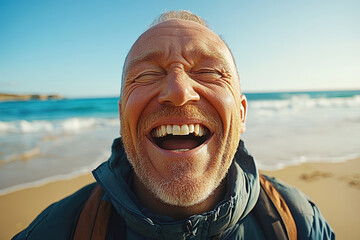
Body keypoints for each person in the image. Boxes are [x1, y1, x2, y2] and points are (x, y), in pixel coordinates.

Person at [13, 10, 335, 240]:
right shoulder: (57, 230)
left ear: (241, 114)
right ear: (122, 115)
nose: (179, 92)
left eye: (208, 72)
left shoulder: (298, 222)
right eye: (147, 74)